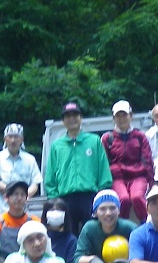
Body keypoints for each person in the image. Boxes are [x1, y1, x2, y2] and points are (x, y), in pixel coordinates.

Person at [46, 101, 113, 235]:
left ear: (81, 118)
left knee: (94, 232)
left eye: (75, 115)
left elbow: (103, 170)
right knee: (68, 234)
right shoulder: (57, 145)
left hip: (90, 196)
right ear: (63, 121)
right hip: (65, 198)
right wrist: (54, 199)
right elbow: (50, 176)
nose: (72, 119)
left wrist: (101, 194)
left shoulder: (94, 141)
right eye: (67, 116)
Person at [67, 190, 139, 263]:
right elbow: (78, 257)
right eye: (102, 209)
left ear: (119, 210)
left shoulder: (130, 228)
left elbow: (144, 256)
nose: (108, 213)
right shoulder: (89, 228)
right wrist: (93, 260)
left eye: (112, 208)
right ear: (95, 212)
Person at [103, 100, 155, 223]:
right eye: (118, 116)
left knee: (137, 197)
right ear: (113, 118)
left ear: (131, 116)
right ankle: (122, 226)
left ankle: (148, 223)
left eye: (124, 115)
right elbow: (103, 164)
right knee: (123, 199)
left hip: (138, 176)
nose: (121, 119)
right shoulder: (107, 138)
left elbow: (147, 161)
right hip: (117, 178)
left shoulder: (140, 136)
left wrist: (152, 183)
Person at [0, 123, 42, 216]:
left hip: (23, 212)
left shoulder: (30, 159)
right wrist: (14, 192)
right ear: (5, 139)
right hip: (0, 212)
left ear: (22, 139)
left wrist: (24, 195)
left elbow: (35, 183)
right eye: (10, 137)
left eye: (16, 137)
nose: (13, 140)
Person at [0, 180, 40, 260]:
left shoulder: (35, 221)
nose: (19, 198)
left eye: (22, 195)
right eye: (15, 194)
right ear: (6, 198)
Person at [41, 197, 77, 263]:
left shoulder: (71, 240)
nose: (55, 213)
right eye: (51, 210)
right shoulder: (39, 238)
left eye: (59, 210)